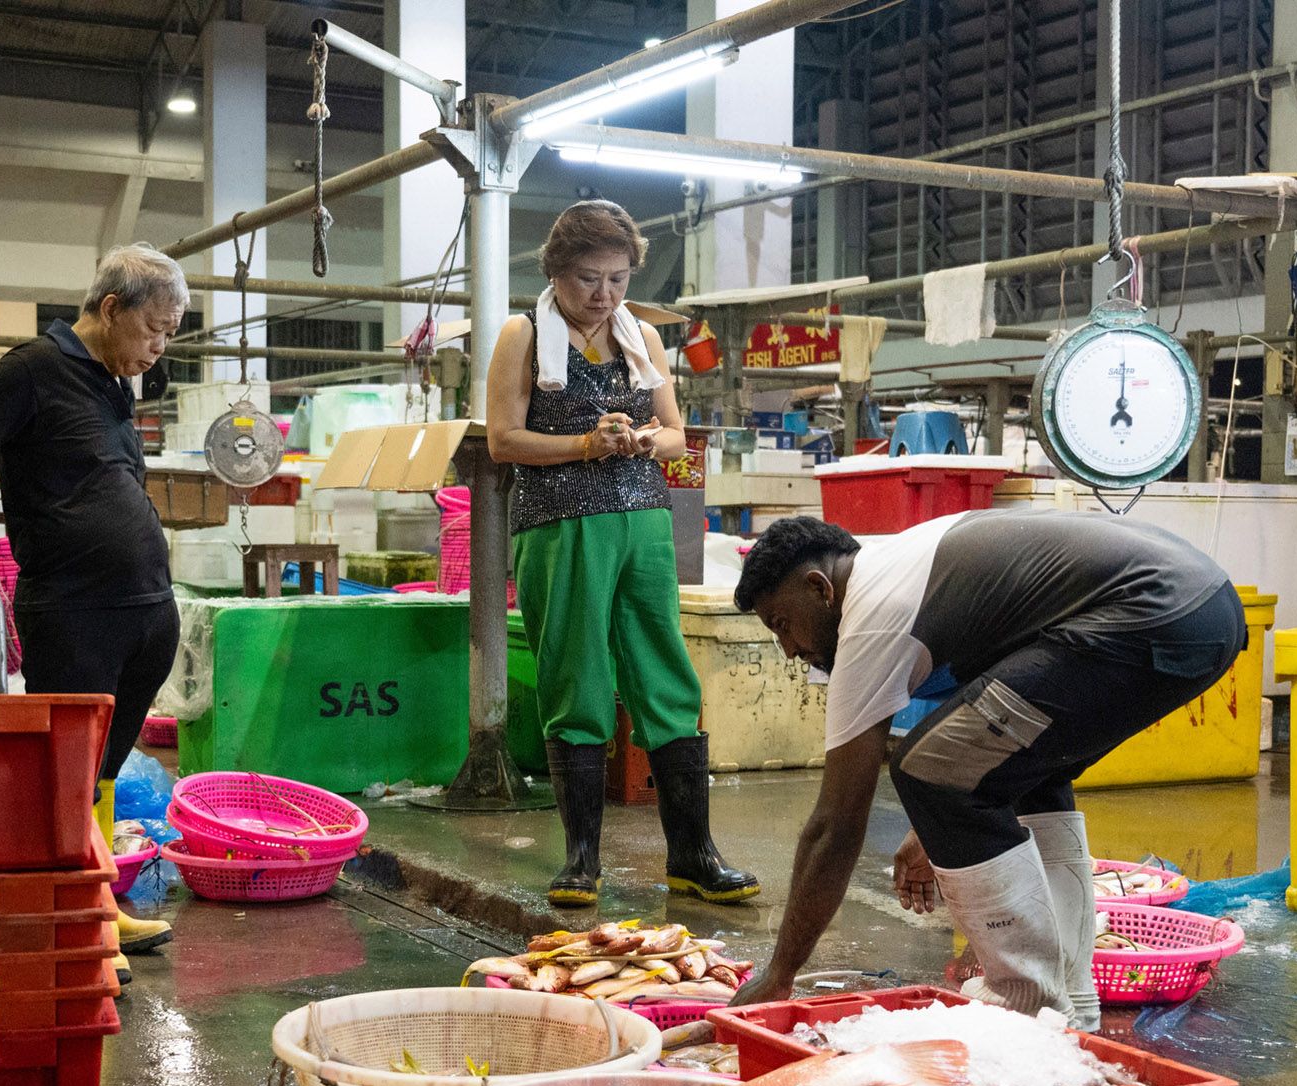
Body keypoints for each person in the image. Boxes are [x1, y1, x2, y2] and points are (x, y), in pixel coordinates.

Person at [724, 510, 1247, 1030]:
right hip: (1205, 610)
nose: (789, 650)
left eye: (782, 624)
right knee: (1020, 772)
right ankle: (1070, 999)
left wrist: (781, 973)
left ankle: (1026, 1006)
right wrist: (934, 824)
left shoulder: (870, 616)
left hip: (1152, 611)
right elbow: (984, 735)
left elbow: (835, 824)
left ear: (820, 589)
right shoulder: (900, 569)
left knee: (925, 772)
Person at [0, 242, 186, 976]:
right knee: (65, 771)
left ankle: (97, 906)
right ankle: (69, 924)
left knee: (103, 770)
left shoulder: (114, 381)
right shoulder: (33, 368)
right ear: (112, 308)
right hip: (74, 609)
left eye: (171, 333)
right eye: (155, 329)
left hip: (144, 607)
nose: (159, 348)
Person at [485, 200, 758, 908]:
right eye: (586, 279)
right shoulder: (522, 336)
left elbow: (675, 435)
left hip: (642, 521)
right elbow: (503, 441)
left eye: (616, 278)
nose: (603, 295)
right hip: (560, 524)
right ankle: (581, 861)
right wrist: (583, 444)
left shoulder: (640, 335)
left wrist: (641, 440)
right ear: (554, 272)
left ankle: (693, 855)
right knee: (576, 680)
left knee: (666, 676)